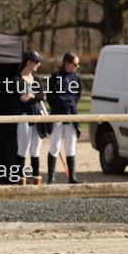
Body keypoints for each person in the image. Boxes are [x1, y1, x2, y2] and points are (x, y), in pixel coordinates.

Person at [46, 52, 83, 184]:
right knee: (54, 146)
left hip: (71, 113)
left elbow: (78, 95)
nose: (77, 66)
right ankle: (51, 177)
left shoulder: (76, 78)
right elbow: (50, 96)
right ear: (67, 63)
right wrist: (57, 106)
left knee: (70, 146)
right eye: (75, 64)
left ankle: (72, 177)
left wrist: (70, 105)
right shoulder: (55, 77)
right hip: (58, 113)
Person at [16, 50, 46, 185]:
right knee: (23, 147)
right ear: (29, 62)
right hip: (24, 116)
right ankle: (20, 178)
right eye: (36, 62)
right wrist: (34, 96)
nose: (38, 64)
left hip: (37, 116)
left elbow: (41, 96)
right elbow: (22, 98)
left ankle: (36, 176)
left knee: (36, 148)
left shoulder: (37, 80)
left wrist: (32, 95)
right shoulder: (17, 79)